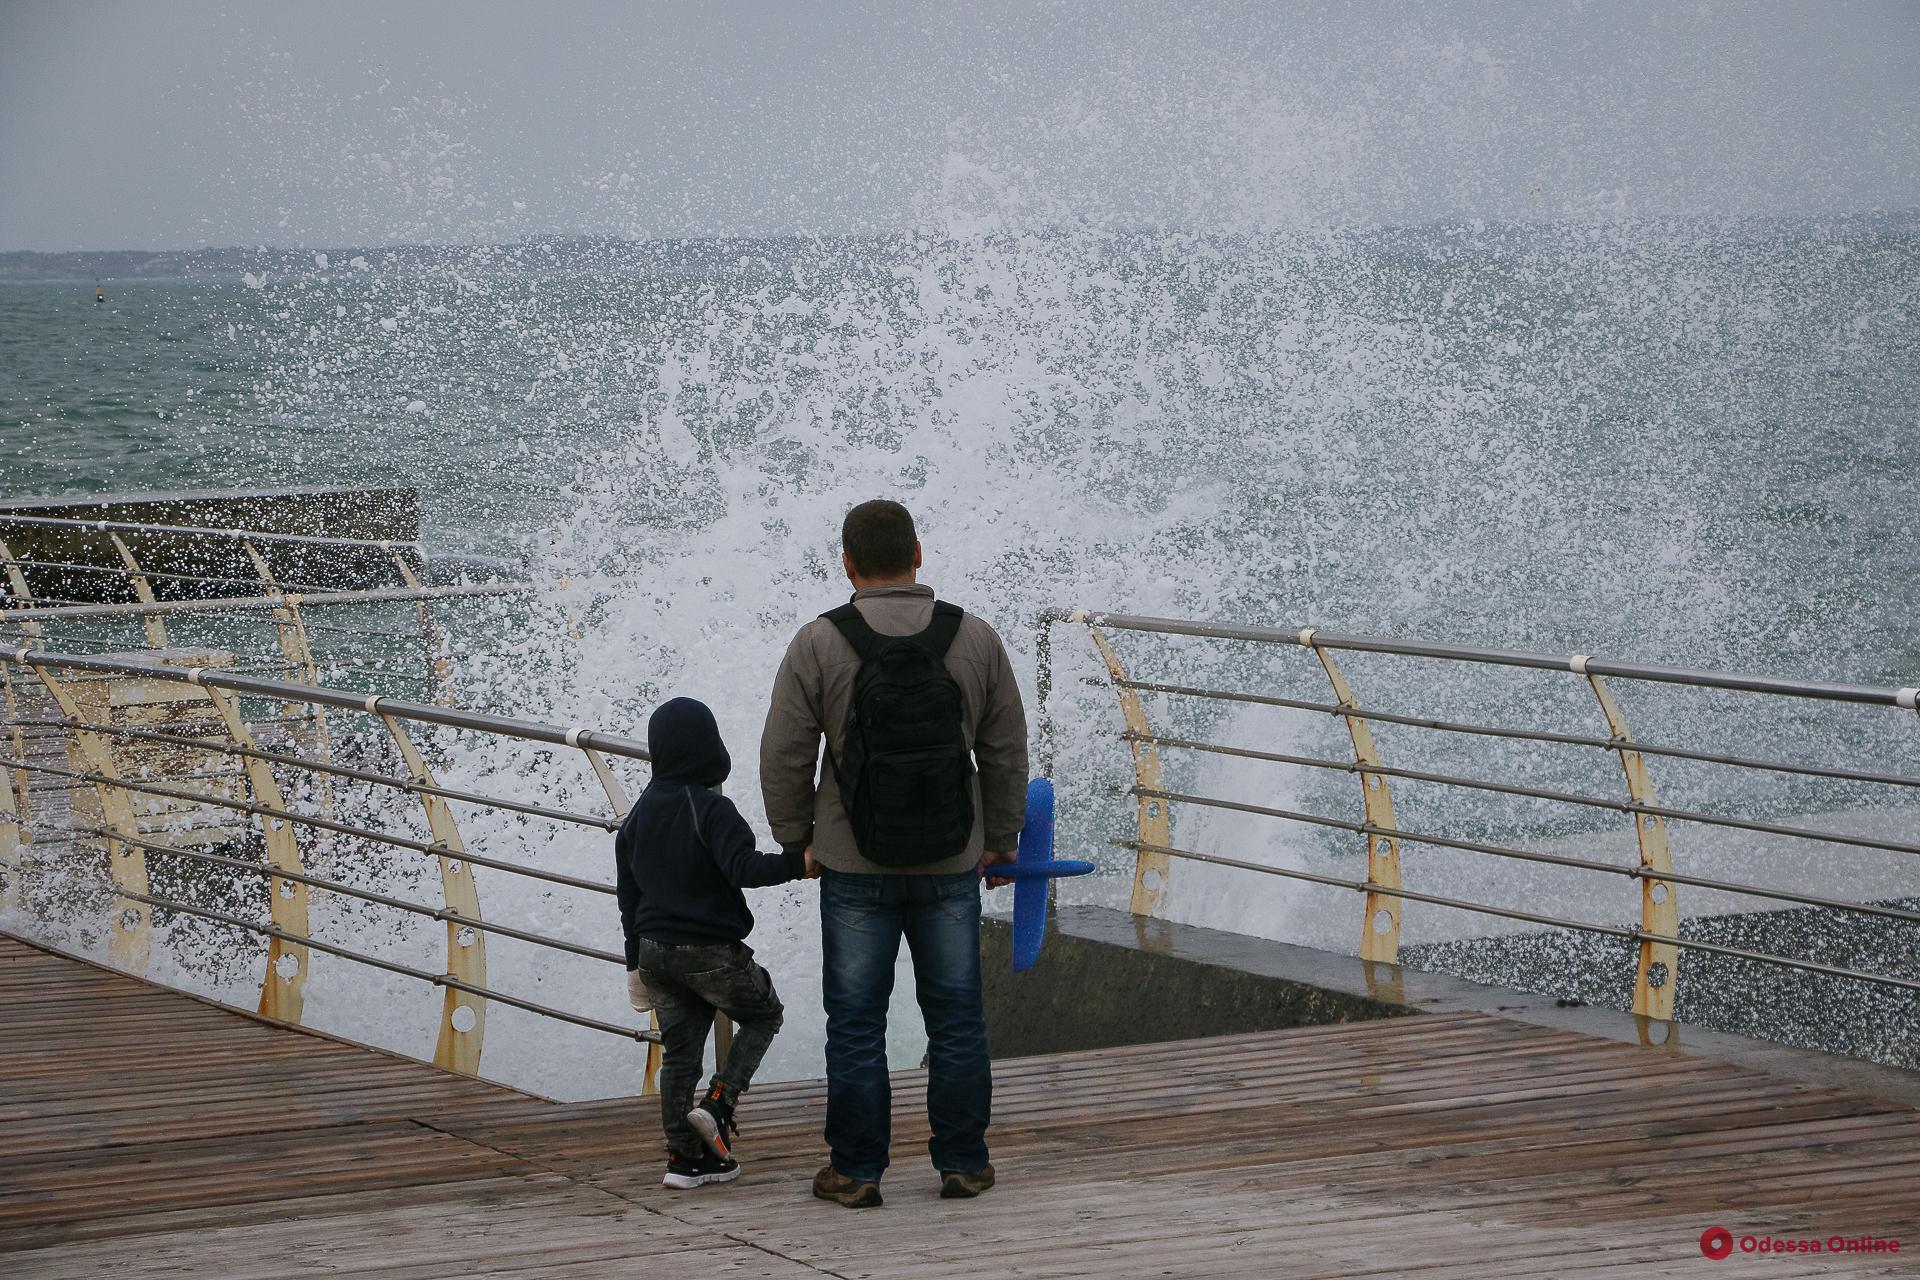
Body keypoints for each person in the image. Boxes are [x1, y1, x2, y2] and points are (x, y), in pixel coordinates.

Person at [761, 499, 1029, 1208]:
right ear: (918, 552)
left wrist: (798, 840)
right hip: (950, 864)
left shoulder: (819, 643)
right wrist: (1000, 838)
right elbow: (1004, 752)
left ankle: (856, 1171)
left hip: (852, 867)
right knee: (957, 1016)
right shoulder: (975, 639)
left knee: (856, 1021)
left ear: (847, 564)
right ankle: (964, 1161)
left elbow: (785, 754)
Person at [616, 696, 813, 1190]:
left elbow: (628, 895)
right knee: (765, 1014)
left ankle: (685, 1162)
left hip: (655, 950)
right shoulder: (711, 808)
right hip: (707, 951)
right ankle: (719, 1103)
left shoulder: (639, 814)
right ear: (709, 748)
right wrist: (800, 863)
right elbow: (743, 868)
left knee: (680, 1056)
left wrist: (633, 963)